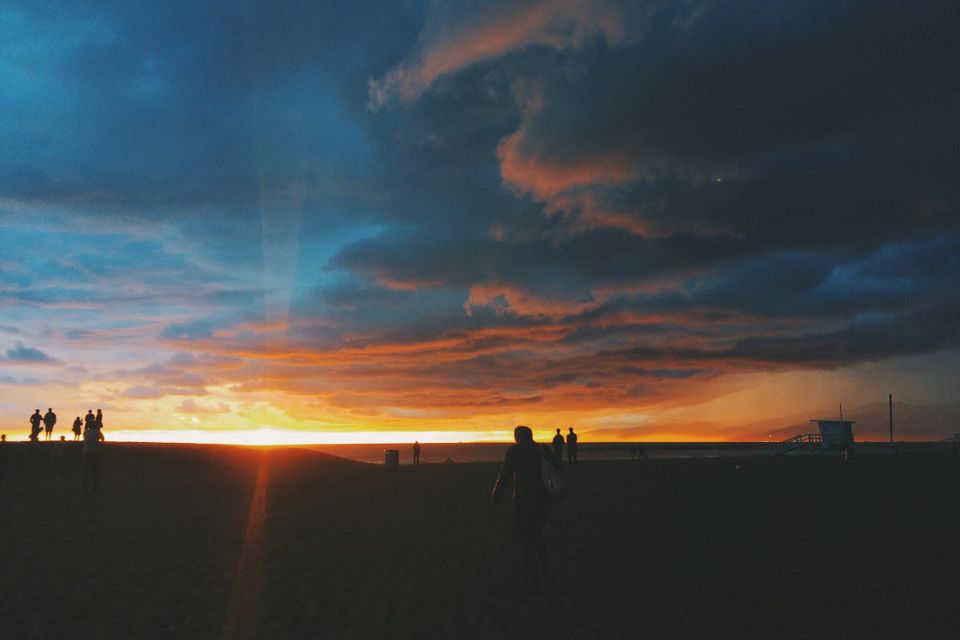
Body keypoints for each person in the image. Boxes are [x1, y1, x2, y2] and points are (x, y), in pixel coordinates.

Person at [492, 425, 555, 594]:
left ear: (518, 437)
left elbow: (505, 474)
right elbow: (556, 467)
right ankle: (546, 572)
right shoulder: (542, 449)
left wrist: (496, 494)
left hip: (523, 499)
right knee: (537, 535)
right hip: (544, 499)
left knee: (526, 541)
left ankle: (535, 581)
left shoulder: (515, 451)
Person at [82, 418, 105, 494]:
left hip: (86, 452)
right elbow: (103, 439)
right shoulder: (97, 432)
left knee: (86, 470)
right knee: (95, 470)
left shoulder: (85, 432)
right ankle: (94, 487)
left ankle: (85, 487)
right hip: (95, 451)